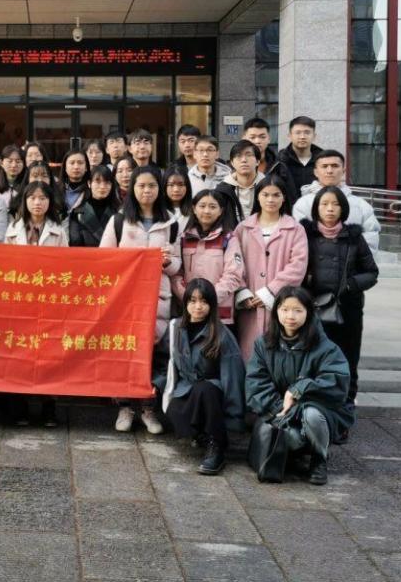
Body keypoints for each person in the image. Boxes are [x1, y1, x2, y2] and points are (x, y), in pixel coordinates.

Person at [99, 165, 180, 436]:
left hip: (157, 298)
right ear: (132, 189)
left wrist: (166, 262)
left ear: (160, 189)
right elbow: (104, 260)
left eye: (152, 186)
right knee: (125, 352)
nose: (147, 191)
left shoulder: (172, 223)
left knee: (151, 354)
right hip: (125, 300)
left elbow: (178, 265)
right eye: (141, 186)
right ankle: (124, 407)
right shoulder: (119, 221)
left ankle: (148, 408)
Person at [246, 286, 354, 485]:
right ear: (276, 311)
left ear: (309, 313)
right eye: (285, 309)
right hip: (279, 413)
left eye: (298, 310)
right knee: (290, 438)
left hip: (317, 411)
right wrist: (282, 409)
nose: (290, 316)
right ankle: (297, 452)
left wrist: (298, 390)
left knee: (311, 415)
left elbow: (336, 381)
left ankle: (319, 459)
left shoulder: (325, 347)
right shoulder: (263, 344)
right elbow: (255, 384)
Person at [301, 186, 379, 410]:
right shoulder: (305, 235)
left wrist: (351, 284)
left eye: (335, 204)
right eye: (324, 204)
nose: (330, 209)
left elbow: (371, 272)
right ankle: (314, 406)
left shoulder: (353, 237)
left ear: (343, 208)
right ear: (316, 208)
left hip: (347, 309)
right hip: (313, 308)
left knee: (347, 358)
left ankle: (345, 406)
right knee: (313, 358)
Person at [162, 279, 245, 475]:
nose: (198, 307)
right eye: (193, 301)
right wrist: (157, 386)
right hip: (186, 389)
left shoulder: (222, 334)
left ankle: (216, 446)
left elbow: (233, 378)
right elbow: (166, 362)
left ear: (212, 304)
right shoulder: (176, 328)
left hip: (213, 393)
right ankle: (201, 435)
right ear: (185, 302)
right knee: (174, 409)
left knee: (204, 389)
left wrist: (234, 419)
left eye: (204, 301)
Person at [3, 181, 68, 426]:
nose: (37, 203)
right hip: (20, 301)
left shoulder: (58, 231)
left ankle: (49, 407)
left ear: (50, 202)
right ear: (25, 201)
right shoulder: (12, 229)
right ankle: (19, 407)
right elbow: (4, 265)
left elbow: (67, 267)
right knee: (20, 352)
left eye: (42, 198)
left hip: (49, 301)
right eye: (32, 198)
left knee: (48, 354)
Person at [234, 176, 308, 361]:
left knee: (279, 355)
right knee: (248, 355)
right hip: (249, 305)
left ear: (284, 198)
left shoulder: (295, 229)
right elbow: (233, 262)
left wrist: (270, 291)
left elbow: (298, 265)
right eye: (265, 194)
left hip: (282, 303)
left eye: (276, 195)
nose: (270, 200)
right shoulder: (243, 228)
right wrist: (243, 292)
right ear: (257, 197)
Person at [174, 189, 244, 327]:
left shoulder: (229, 238)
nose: (207, 211)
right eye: (202, 206)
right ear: (194, 209)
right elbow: (176, 272)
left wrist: (209, 299)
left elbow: (233, 275)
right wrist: (190, 299)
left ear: (221, 211)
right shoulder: (182, 238)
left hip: (219, 313)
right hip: (189, 312)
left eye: (212, 207)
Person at [292, 149, 380, 252]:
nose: (329, 171)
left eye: (335, 166)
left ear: (343, 171)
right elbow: (298, 241)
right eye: (324, 166)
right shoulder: (302, 204)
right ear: (316, 172)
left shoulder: (361, 205)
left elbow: (371, 238)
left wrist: (351, 258)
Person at [243, 117, 299, 203]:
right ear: (244, 139)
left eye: (262, 137)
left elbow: (291, 198)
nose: (257, 141)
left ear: (269, 139)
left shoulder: (279, 167)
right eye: (252, 137)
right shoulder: (234, 167)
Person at [69, 165, 120, 247]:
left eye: (107, 182)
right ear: (89, 183)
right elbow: (75, 242)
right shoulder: (78, 213)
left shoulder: (119, 212)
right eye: (98, 182)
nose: (102, 186)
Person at [217, 140, 264, 224]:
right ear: (232, 163)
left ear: (257, 161)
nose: (244, 160)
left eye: (248, 155)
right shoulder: (222, 190)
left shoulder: (268, 187)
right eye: (238, 156)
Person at [278, 116, 323, 195]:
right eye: (298, 133)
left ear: (314, 136)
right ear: (290, 136)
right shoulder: (280, 161)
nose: (302, 137)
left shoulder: (323, 160)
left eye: (307, 132)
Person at [163, 164, 193, 234]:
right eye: (171, 185)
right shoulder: (158, 211)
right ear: (164, 186)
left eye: (181, 185)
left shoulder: (194, 211)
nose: (176, 189)